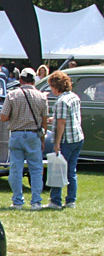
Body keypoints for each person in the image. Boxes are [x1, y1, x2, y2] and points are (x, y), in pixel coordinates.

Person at [0, 67, 48, 210]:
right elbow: (44, 120)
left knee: (16, 169)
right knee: (36, 169)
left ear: (20, 79)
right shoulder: (41, 96)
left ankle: (17, 201)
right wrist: (43, 139)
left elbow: (3, 117)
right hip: (34, 134)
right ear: (34, 80)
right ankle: (36, 201)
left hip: (17, 133)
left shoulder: (12, 95)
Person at [46, 70, 84, 209]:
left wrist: (56, 143)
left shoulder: (61, 101)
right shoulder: (74, 97)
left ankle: (55, 201)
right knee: (71, 171)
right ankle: (70, 200)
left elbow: (61, 123)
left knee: (58, 169)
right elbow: (68, 117)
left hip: (66, 140)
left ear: (56, 86)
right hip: (77, 137)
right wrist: (54, 119)